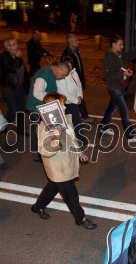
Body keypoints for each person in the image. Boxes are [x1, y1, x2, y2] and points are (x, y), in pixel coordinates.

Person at [31, 91, 97, 229]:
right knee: (70, 194)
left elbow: (72, 138)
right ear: (52, 107)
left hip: (67, 162)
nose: (65, 107)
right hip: (58, 165)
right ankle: (81, 218)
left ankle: (38, 206)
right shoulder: (44, 126)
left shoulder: (64, 119)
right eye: (62, 105)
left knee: (53, 186)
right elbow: (44, 151)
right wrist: (55, 138)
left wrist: (79, 153)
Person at [99, 34, 136, 143]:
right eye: (120, 44)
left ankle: (103, 127)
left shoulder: (119, 54)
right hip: (115, 88)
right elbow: (107, 75)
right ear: (113, 45)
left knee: (111, 108)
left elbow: (129, 56)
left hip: (120, 86)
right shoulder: (109, 57)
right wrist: (123, 73)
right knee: (124, 111)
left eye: (122, 44)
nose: (122, 46)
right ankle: (130, 136)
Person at [26, 61, 70, 162]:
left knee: (41, 131)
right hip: (35, 108)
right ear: (59, 69)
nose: (63, 77)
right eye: (64, 75)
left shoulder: (50, 71)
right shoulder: (44, 74)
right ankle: (36, 154)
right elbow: (37, 93)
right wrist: (53, 101)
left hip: (42, 107)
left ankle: (42, 152)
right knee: (37, 132)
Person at [0, 37, 30, 137]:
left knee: (20, 109)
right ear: (7, 47)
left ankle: (21, 130)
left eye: (16, 43)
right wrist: (17, 58)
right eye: (14, 44)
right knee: (13, 110)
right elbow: (11, 69)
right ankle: (2, 125)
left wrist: (28, 89)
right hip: (8, 88)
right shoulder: (3, 57)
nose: (17, 46)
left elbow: (23, 73)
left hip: (19, 87)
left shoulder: (18, 57)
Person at [58, 58, 90, 149]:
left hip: (74, 102)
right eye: (67, 64)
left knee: (77, 122)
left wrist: (80, 96)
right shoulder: (62, 76)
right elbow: (63, 92)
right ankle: (65, 143)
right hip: (67, 104)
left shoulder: (74, 73)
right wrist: (76, 100)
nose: (70, 66)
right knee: (67, 125)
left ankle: (82, 141)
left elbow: (79, 84)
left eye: (71, 64)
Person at [60, 33, 93, 123]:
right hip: (72, 80)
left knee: (78, 98)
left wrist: (81, 79)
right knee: (76, 99)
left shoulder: (75, 51)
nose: (78, 42)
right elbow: (65, 70)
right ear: (70, 42)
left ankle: (80, 116)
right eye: (76, 40)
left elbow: (78, 67)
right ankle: (82, 116)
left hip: (76, 78)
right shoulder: (66, 55)